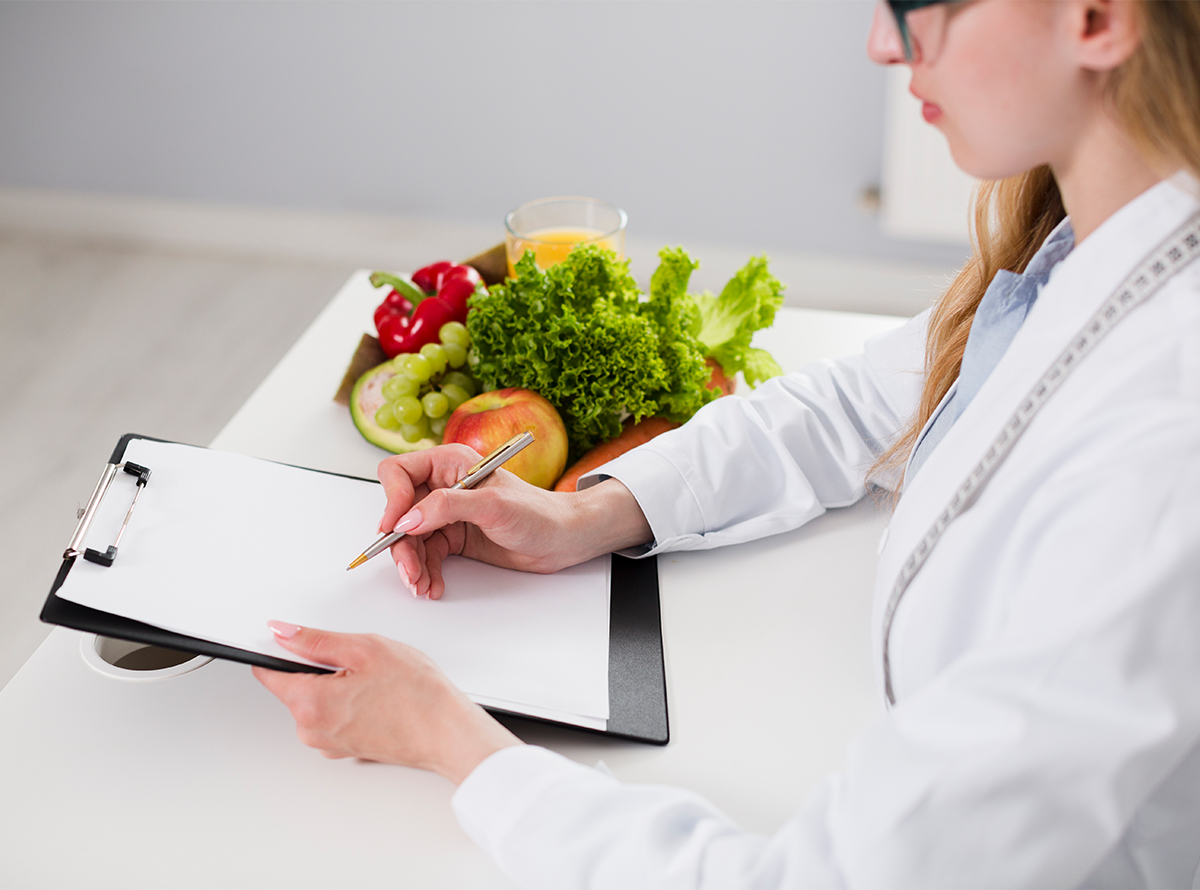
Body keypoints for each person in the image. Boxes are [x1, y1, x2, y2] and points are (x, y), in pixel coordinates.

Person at [253, 1, 1200, 885]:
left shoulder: (1160, 453)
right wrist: (588, 512)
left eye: (920, 2)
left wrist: (455, 743)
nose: (881, 42)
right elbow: (859, 401)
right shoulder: (1085, 241)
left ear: (1097, 18)